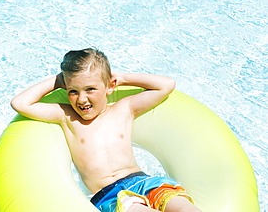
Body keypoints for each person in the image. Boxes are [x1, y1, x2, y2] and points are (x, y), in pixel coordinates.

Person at [11, 48, 201, 212]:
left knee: (184, 207)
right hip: (108, 195)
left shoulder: (124, 109)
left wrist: (123, 78)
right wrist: (58, 80)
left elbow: (166, 85)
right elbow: (20, 103)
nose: (82, 99)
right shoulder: (66, 116)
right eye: (73, 91)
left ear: (110, 86)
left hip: (144, 181)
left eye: (90, 89)